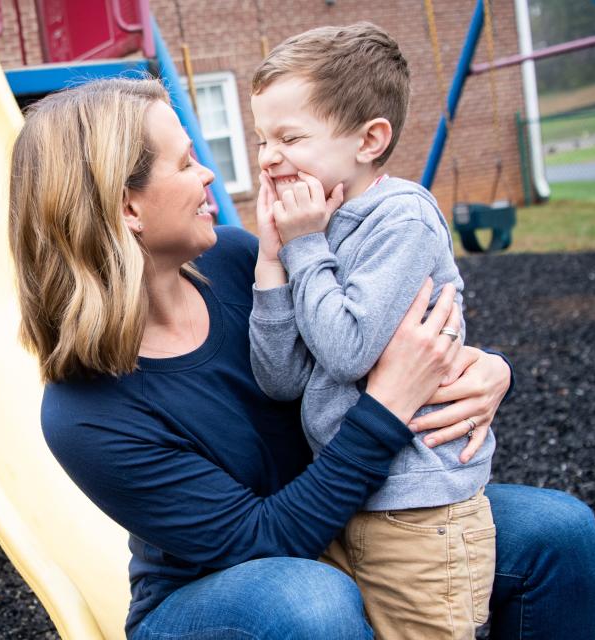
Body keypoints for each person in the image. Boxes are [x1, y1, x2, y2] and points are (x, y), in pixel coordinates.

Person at [7, 77, 595, 640]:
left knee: (556, 532)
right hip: (221, 593)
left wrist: (488, 368)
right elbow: (266, 537)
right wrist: (389, 403)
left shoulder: (243, 263)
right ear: (127, 209)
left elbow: (370, 331)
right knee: (311, 603)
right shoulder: (85, 413)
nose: (211, 174)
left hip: (353, 520)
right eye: (187, 163)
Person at [248, 24, 493, 638]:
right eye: (261, 139)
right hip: (352, 501)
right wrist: (273, 262)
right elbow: (283, 379)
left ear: (369, 139)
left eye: (290, 137)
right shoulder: (318, 227)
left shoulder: (401, 217)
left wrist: (305, 247)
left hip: (420, 508)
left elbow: (350, 350)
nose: (268, 156)